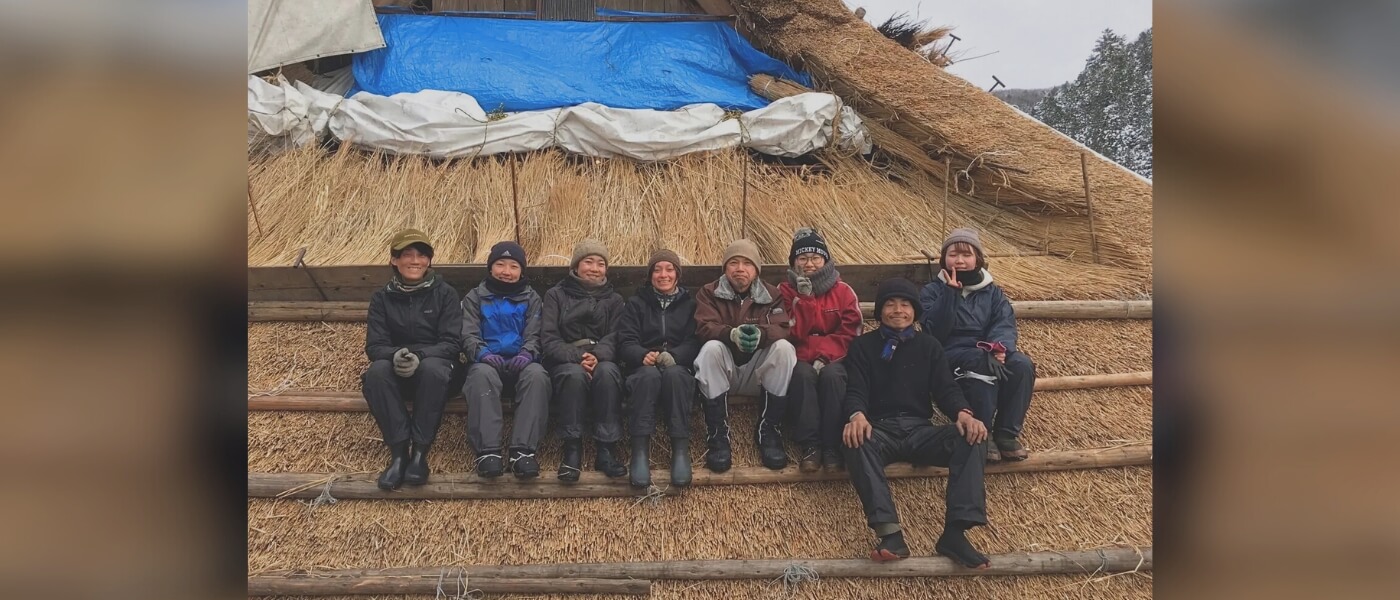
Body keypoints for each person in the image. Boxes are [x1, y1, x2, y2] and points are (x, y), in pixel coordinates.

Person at [843, 278, 990, 567]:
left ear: (915, 311)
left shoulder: (929, 346)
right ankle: (890, 534)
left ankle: (955, 533)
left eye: (905, 304)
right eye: (890, 304)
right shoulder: (863, 346)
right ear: (880, 311)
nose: (898, 310)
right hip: (880, 429)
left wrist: (963, 412)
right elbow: (855, 389)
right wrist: (857, 415)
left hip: (919, 430)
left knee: (973, 437)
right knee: (855, 440)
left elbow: (946, 389)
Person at [919, 228, 1036, 462]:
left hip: (988, 347)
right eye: (953, 255)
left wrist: (998, 347)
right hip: (951, 352)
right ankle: (983, 432)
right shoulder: (932, 291)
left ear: (978, 259)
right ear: (944, 259)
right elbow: (935, 331)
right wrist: (950, 294)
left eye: (966, 255)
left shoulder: (992, 293)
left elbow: (1003, 321)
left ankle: (1006, 433)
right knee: (978, 362)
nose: (959, 260)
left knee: (1022, 365)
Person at [361, 228, 463, 490]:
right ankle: (398, 453)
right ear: (394, 260)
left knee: (432, 370)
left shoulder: (445, 294)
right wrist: (395, 356)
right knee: (376, 373)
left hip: (436, 367)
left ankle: (419, 453)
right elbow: (375, 345)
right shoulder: (382, 298)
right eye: (407, 254)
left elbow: (451, 343)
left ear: (429, 261)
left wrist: (420, 355)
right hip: (399, 366)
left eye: (421, 255)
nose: (415, 261)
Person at [693, 239, 795, 472]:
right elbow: (703, 326)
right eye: (734, 263)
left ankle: (769, 429)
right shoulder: (708, 293)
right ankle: (718, 433)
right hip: (725, 370)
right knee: (709, 349)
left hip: (756, 374)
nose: (740, 268)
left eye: (747, 263)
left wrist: (760, 334)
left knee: (784, 349)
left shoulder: (772, 294)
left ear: (756, 269)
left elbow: (782, 327)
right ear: (725, 268)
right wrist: (731, 335)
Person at [460, 241, 550, 479]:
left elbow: (536, 333)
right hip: (487, 362)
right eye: (500, 264)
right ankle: (488, 451)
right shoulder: (474, 298)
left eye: (513, 266)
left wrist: (527, 353)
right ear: (491, 268)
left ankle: (523, 451)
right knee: (481, 375)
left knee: (538, 376)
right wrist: (483, 353)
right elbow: (468, 333)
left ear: (521, 271)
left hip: (522, 363)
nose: (506, 272)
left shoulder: (532, 299)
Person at [777, 228, 862, 472]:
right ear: (794, 262)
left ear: (825, 260)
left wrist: (825, 356)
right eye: (802, 259)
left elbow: (851, 332)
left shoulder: (843, 291)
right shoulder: (784, 291)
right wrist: (804, 300)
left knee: (833, 377)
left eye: (815, 258)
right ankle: (810, 445)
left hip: (835, 357)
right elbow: (790, 331)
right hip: (800, 355)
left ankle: (832, 444)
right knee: (802, 376)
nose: (809, 264)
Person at [541, 239, 627, 482]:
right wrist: (578, 357)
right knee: (573, 375)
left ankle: (606, 449)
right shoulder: (556, 295)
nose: (594, 268)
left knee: (608, 374)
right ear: (576, 266)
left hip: (603, 359)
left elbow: (616, 336)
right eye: (588, 262)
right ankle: (572, 450)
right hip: (565, 359)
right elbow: (548, 338)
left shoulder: (614, 300)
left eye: (601, 264)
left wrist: (597, 355)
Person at [616, 249, 700, 488]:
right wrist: (642, 355)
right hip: (644, 366)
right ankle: (640, 451)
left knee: (676, 377)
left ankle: (680, 450)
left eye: (669, 269)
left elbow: (694, 340)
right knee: (647, 378)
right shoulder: (636, 303)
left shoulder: (689, 305)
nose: (663, 275)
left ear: (677, 274)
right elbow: (626, 341)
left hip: (677, 365)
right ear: (650, 275)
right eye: (657, 269)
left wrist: (675, 356)